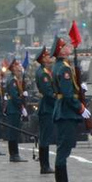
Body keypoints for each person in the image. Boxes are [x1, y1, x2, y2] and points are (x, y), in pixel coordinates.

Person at [51, 36, 89, 182]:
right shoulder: (64, 69)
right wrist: (80, 108)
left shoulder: (61, 66)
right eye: (66, 45)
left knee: (63, 150)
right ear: (61, 50)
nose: (70, 47)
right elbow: (67, 94)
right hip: (66, 112)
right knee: (63, 151)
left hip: (64, 111)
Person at [34, 46, 56, 174]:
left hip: (47, 107)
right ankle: (45, 165)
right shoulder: (43, 74)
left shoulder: (44, 71)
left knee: (45, 137)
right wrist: (59, 100)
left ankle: (45, 165)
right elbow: (48, 92)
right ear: (43, 59)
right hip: (47, 108)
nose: (50, 57)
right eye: (47, 56)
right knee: (45, 137)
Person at [3, 59, 28, 162]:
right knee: (13, 132)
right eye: (17, 66)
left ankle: (14, 154)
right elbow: (14, 96)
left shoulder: (14, 79)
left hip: (14, 108)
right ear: (13, 68)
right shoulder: (12, 81)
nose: (19, 67)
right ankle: (14, 154)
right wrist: (21, 105)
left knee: (14, 132)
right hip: (13, 109)